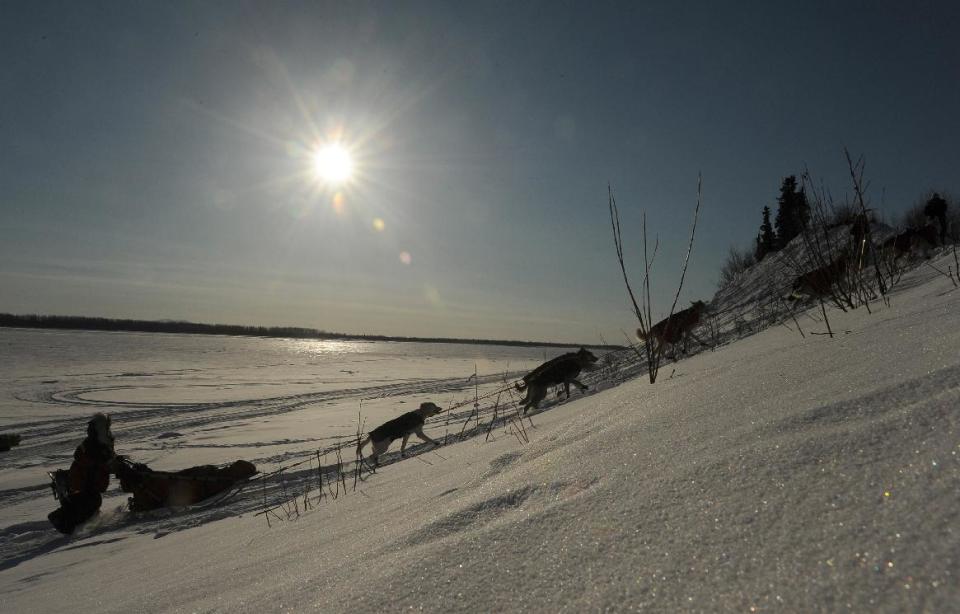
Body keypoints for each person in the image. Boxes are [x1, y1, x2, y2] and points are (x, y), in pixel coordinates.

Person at [48, 413, 116, 534]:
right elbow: (93, 461)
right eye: (106, 427)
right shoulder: (94, 445)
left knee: (90, 502)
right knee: (91, 502)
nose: (108, 430)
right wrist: (105, 463)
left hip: (85, 484)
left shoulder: (96, 443)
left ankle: (71, 524)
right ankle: (69, 526)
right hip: (84, 485)